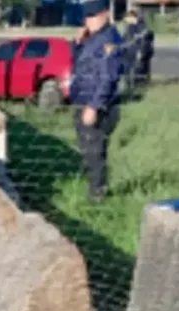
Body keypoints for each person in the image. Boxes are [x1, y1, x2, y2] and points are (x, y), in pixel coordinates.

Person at [70, 0, 123, 203]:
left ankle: (98, 195)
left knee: (95, 151)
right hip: (84, 102)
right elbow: (80, 65)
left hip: (97, 106)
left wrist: (94, 106)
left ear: (106, 14)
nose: (89, 21)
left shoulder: (109, 40)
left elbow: (108, 77)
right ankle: (95, 189)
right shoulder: (94, 38)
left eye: (93, 16)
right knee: (87, 151)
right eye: (87, 17)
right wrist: (77, 44)